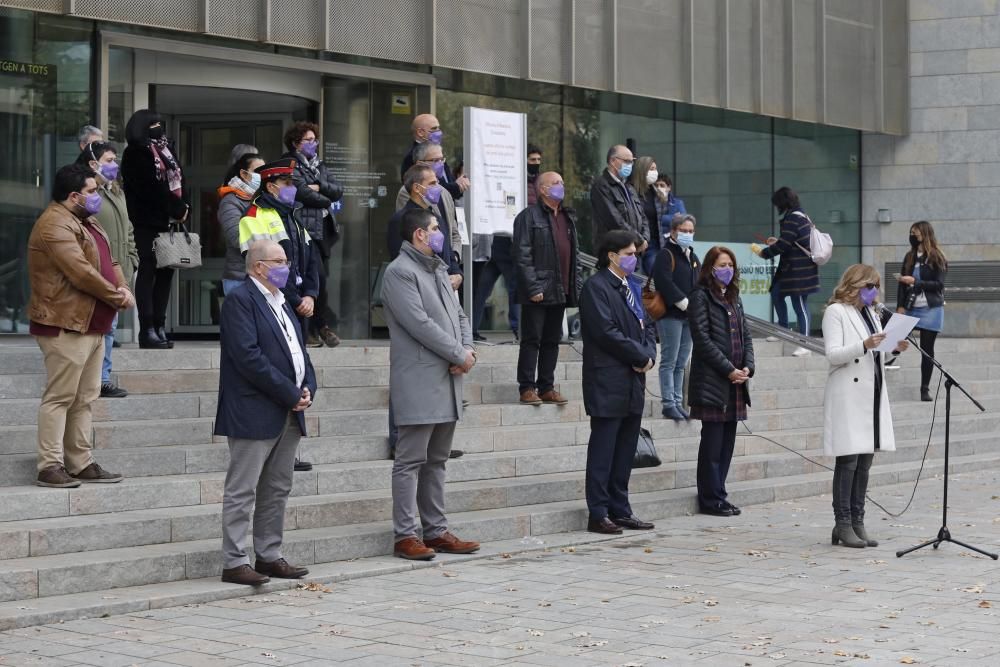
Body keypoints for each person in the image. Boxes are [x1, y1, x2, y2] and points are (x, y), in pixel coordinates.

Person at [380, 208, 480, 561]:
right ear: (419, 234)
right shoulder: (398, 273)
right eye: (435, 228)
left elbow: (460, 315)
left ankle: (435, 530)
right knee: (410, 460)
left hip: (447, 377)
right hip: (421, 379)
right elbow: (419, 324)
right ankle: (405, 535)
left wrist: (467, 350)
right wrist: (457, 353)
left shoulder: (438, 268)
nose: (440, 234)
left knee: (436, 459)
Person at [217, 240, 317, 585]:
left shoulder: (282, 300)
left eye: (286, 261)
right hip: (254, 409)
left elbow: (297, 350)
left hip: (288, 408)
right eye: (279, 261)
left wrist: (307, 388)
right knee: (242, 489)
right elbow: (248, 358)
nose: (286, 266)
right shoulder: (240, 301)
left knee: (277, 487)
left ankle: (269, 555)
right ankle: (234, 561)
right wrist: (289, 393)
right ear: (258, 267)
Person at [27, 164, 131, 488]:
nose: (97, 196)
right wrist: (117, 296)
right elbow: (81, 272)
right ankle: (50, 466)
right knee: (61, 397)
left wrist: (124, 286)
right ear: (74, 196)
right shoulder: (54, 224)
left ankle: (80, 462)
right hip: (64, 323)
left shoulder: (88, 220)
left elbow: (110, 261)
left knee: (85, 397)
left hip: (92, 324)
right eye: (91, 191)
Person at [237, 158, 319, 474]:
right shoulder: (255, 216)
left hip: (298, 303)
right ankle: (277, 443)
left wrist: (311, 294)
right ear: (271, 186)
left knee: (297, 365)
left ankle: (289, 445)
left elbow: (311, 260)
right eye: (287, 184)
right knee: (278, 364)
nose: (292, 188)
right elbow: (264, 266)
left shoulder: (294, 217)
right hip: (277, 301)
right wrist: (297, 299)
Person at [579, 230, 658, 535]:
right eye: (628, 253)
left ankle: (620, 508)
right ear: (612, 255)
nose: (633, 258)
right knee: (604, 449)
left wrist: (649, 353)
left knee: (625, 449)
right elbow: (606, 332)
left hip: (633, 379)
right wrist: (639, 355)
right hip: (608, 377)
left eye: (635, 253)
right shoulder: (596, 287)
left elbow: (647, 324)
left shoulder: (633, 285)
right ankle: (598, 512)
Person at [823, 264, 907, 548]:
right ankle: (842, 523)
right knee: (848, 459)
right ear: (854, 284)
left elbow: (878, 351)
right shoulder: (836, 312)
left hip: (872, 391)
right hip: (848, 391)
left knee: (865, 461)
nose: (874, 291)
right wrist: (865, 343)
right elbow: (833, 355)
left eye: (876, 286)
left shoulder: (873, 312)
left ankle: (858, 521)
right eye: (869, 286)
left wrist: (894, 346)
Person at [687, 246, 755, 517]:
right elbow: (702, 340)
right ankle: (709, 497)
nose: (727, 269)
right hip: (714, 381)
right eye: (722, 264)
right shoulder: (700, 296)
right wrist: (728, 369)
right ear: (710, 268)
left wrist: (748, 365)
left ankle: (720, 493)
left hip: (736, 383)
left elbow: (746, 336)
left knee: (727, 444)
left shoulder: (734, 297)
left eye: (730, 264)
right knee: (712, 443)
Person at [121, 109, 189, 349]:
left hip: (170, 223)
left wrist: (183, 207)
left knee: (166, 273)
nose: (159, 128)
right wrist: (175, 206)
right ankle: (147, 329)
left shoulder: (166, 149)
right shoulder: (135, 153)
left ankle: (160, 326)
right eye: (153, 124)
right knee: (148, 271)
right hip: (146, 221)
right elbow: (149, 187)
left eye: (160, 123)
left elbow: (178, 181)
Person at [513, 171, 581, 406]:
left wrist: (574, 287)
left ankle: (546, 387)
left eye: (562, 182)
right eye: (555, 183)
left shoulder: (567, 217)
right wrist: (533, 286)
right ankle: (527, 387)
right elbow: (522, 255)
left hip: (561, 288)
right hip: (538, 290)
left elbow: (575, 255)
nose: (561, 186)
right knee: (532, 339)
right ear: (542, 189)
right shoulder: (528, 217)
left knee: (553, 340)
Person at [76, 142, 138, 399]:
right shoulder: (86, 195)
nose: (115, 165)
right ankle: (96, 379)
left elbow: (128, 227)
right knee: (100, 328)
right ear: (93, 163)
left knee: (109, 328)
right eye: (110, 159)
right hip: (96, 273)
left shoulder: (116, 191)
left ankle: (101, 378)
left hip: (118, 271)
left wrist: (132, 258)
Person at [282, 121, 344, 348]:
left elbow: (338, 189)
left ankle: (317, 327)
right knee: (312, 278)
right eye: (308, 140)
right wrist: (322, 193)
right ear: (295, 143)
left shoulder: (320, 165)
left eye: (314, 140)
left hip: (323, 232)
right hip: (302, 229)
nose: (313, 144)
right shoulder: (289, 163)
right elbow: (302, 193)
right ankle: (316, 327)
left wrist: (318, 185)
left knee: (320, 280)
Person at [756, 186, 819, 356]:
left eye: (777, 204)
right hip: (792, 268)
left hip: (799, 269)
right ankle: (782, 329)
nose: (777, 207)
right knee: (776, 293)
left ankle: (806, 343)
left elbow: (785, 244)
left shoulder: (793, 218)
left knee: (799, 304)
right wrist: (777, 241)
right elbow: (791, 240)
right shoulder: (799, 216)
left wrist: (765, 253)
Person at [393, 143, 463, 288]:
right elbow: (407, 236)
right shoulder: (407, 194)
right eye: (435, 160)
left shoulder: (445, 193)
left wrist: (454, 260)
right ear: (420, 164)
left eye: (442, 160)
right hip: (424, 278)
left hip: (447, 273)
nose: (441, 164)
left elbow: (453, 232)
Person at [652, 213, 699, 421]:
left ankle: (678, 402)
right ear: (673, 231)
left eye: (690, 231)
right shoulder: (666, 254)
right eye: (683, 231)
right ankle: (668, 403)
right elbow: (663, 281)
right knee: (669, 361)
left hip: (690, 317)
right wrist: (683, 302)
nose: (687, 234)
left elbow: (699, 284)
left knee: (682, 361)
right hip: (671, 314)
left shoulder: (692, 256)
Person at [896, 221, 947, 402]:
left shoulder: (937, 257)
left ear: (925, 234)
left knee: (927, 350)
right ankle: (888, 360)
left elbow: (939, 285)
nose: (913, 236)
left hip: (931, 309)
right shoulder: (909, 256)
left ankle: (924, 388)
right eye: (911, 233)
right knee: (894, 337)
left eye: (916, 233)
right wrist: (900, 306)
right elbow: (902, 284)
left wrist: (916, 282)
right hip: (910, 307)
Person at [218, 153, 265, 296]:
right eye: (258, 171)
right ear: (244, 174)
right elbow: (237, 238)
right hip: (240, 278)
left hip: (263, 277)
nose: (263, 175)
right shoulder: (231, 201)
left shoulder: (263, 199)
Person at [590, 145, 649, 252]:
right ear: (613, 161)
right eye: (627, 161)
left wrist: (644, 239)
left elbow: (643, 217)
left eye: (632, 162)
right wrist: (639, 240)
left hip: (635, 249)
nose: (630, 165)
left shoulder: (629, 187)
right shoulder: (601, 185)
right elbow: (615, 220)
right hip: (614, 250)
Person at [400, 113, 470, 201]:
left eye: (438, 128)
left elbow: (448, 182)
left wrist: (458, 185)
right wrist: (457, 186)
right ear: (420, 132)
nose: (439, 132)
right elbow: (431, 188)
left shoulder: (436, 152)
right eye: (434, 129)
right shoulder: (413, 156)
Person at [628, 156, 663, 275]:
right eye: (651, 169)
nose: (655, 172)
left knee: (654, 276)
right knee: (637, 277)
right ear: (642, 171)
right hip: (636, 242)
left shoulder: (657, 194)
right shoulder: (630, 191)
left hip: (653, 244)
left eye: (655, 169)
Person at [653, 172, 686, 250]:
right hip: (656, 244)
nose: (658, 188)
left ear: (669, 187)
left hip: (674, 242)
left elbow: (682, 221)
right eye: (656, 185)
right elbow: (651, 221)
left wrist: (660, 219)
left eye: (662, 185)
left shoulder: (677, 203)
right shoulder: (650, 204)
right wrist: (673, 218)